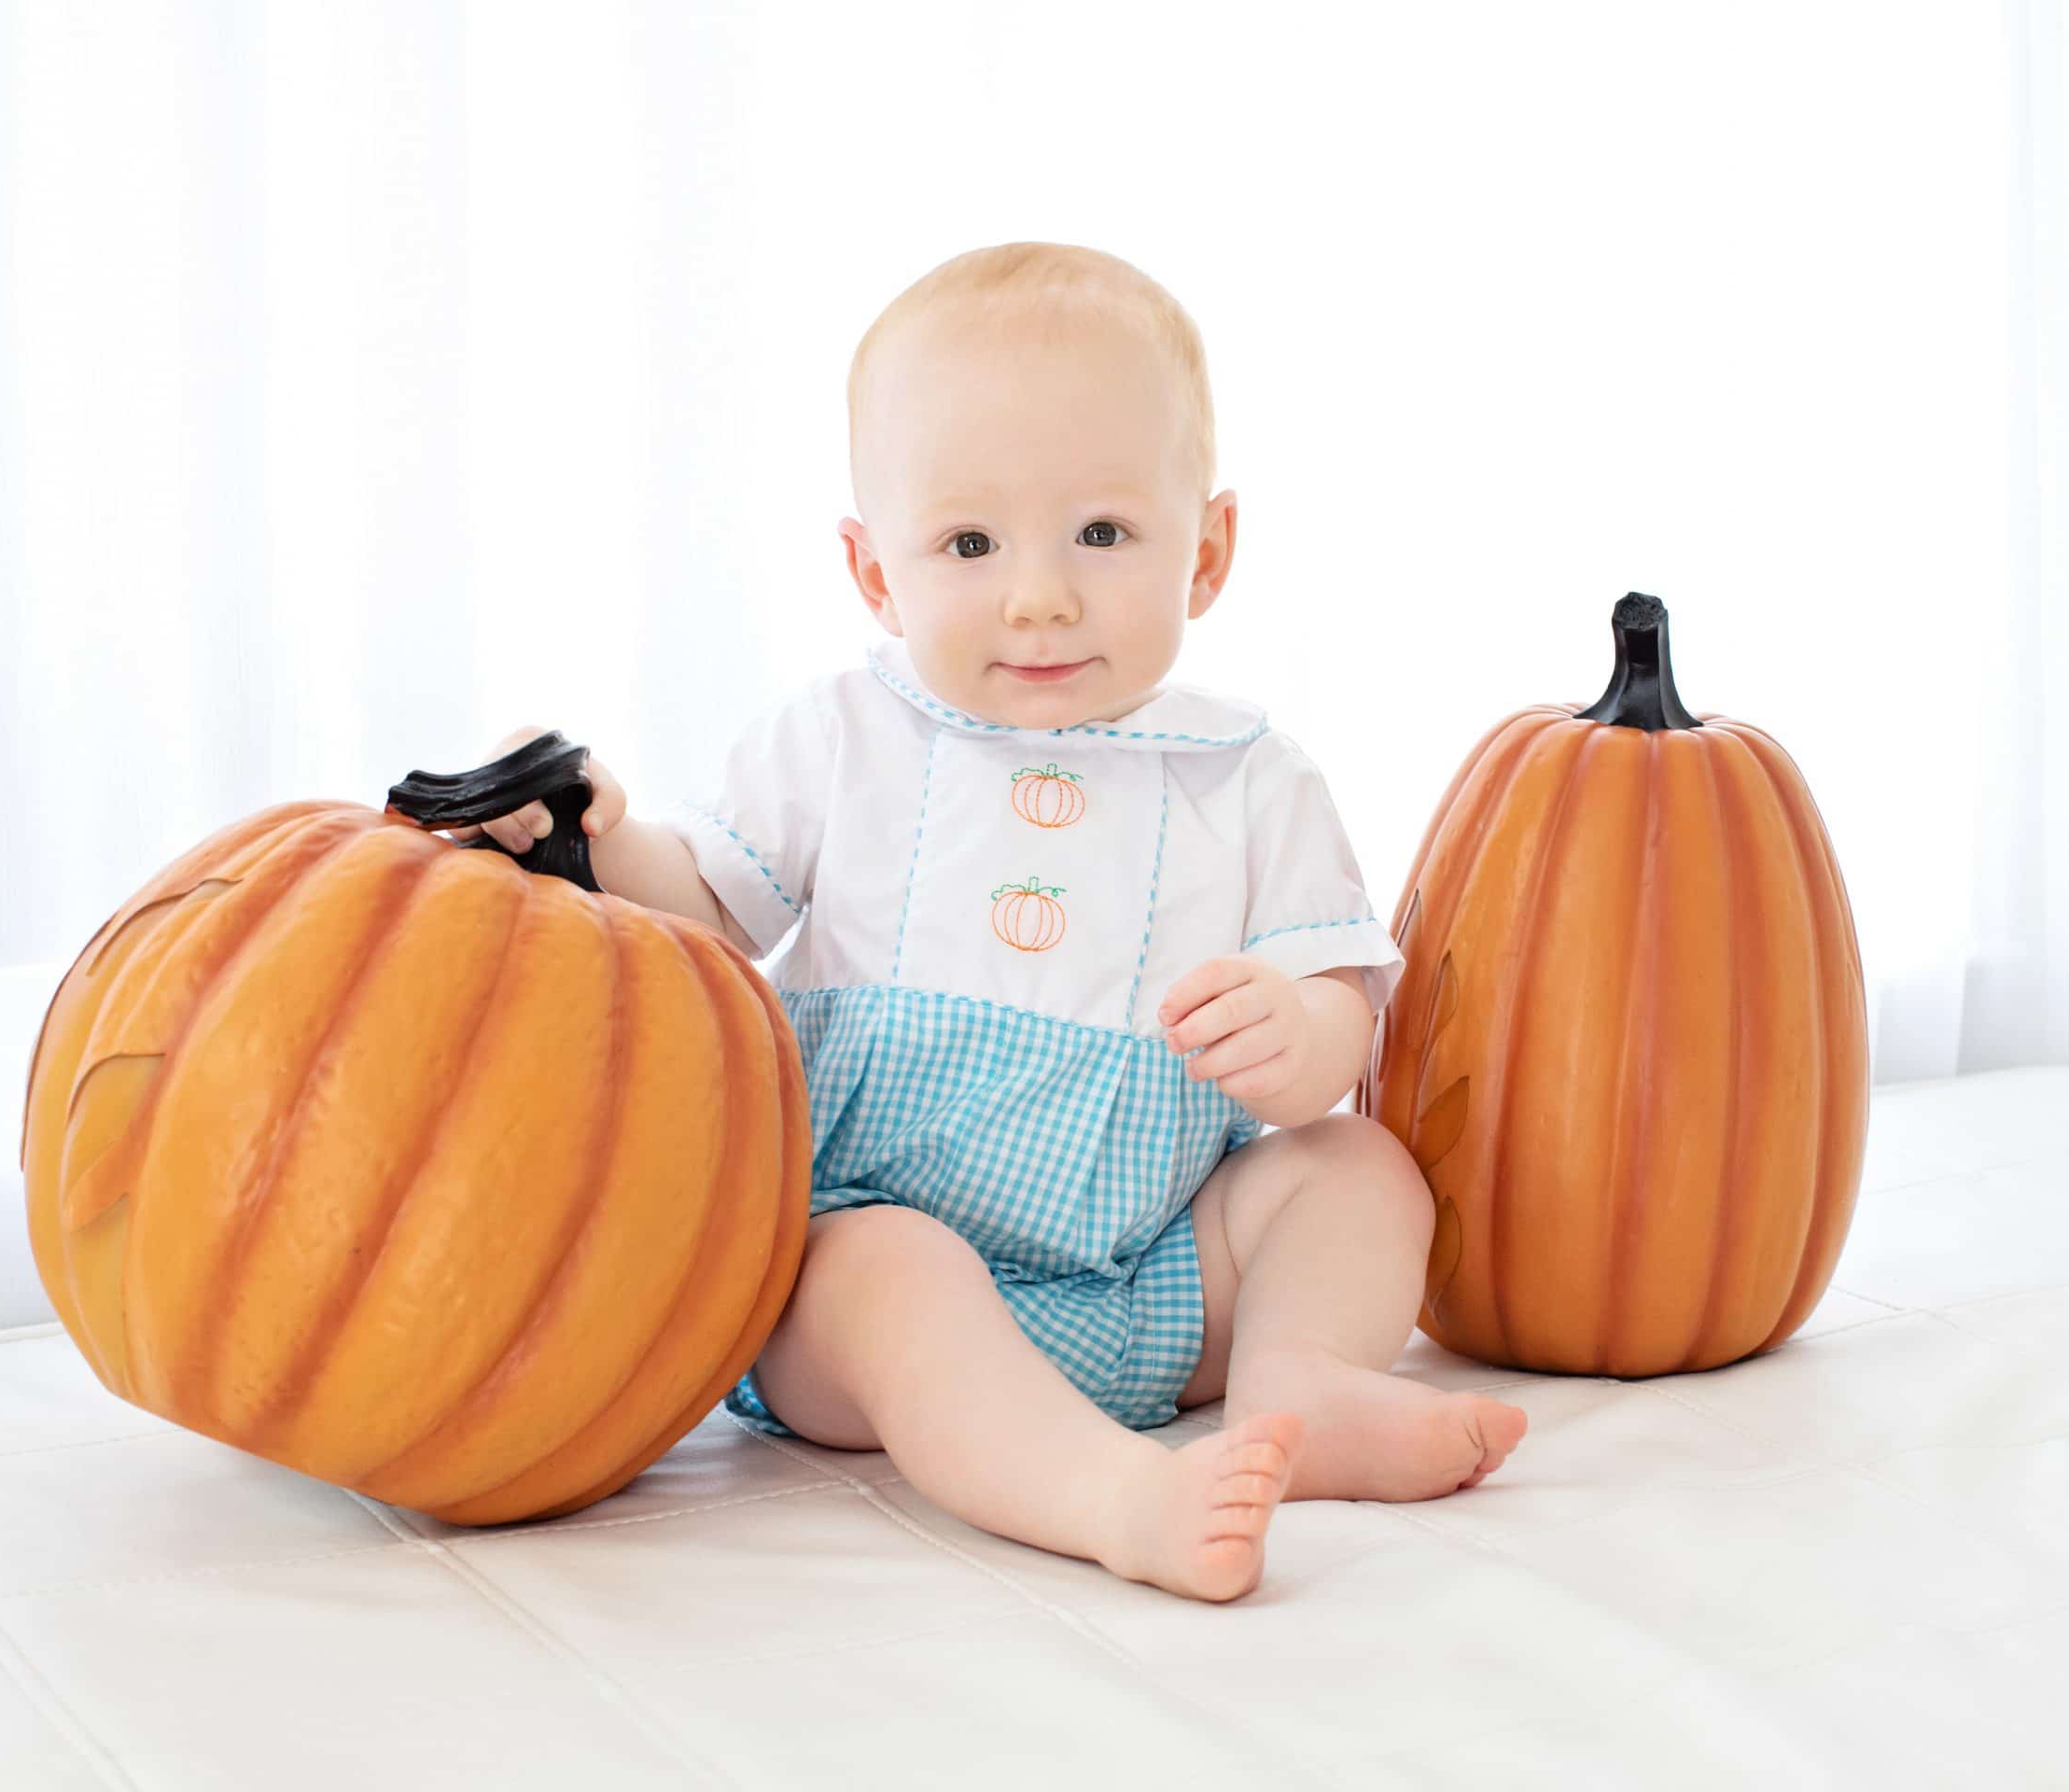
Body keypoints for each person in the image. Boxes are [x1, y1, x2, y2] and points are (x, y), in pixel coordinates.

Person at [446, 243, 1526, 1602]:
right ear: (875, 572)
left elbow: (1338, 1011)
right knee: (884, 1273)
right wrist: (602, 839)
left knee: (1357, 1171)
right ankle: (1104, 1495)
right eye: (969, 544)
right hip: (863, 1271)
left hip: (1160, 1276)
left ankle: (1301, 1381)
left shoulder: (1248, 774)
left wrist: (1295, 1031)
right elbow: (703, 914)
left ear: (1208, 550)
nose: (1040, 595)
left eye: (1102, 534)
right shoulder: (843, 735)